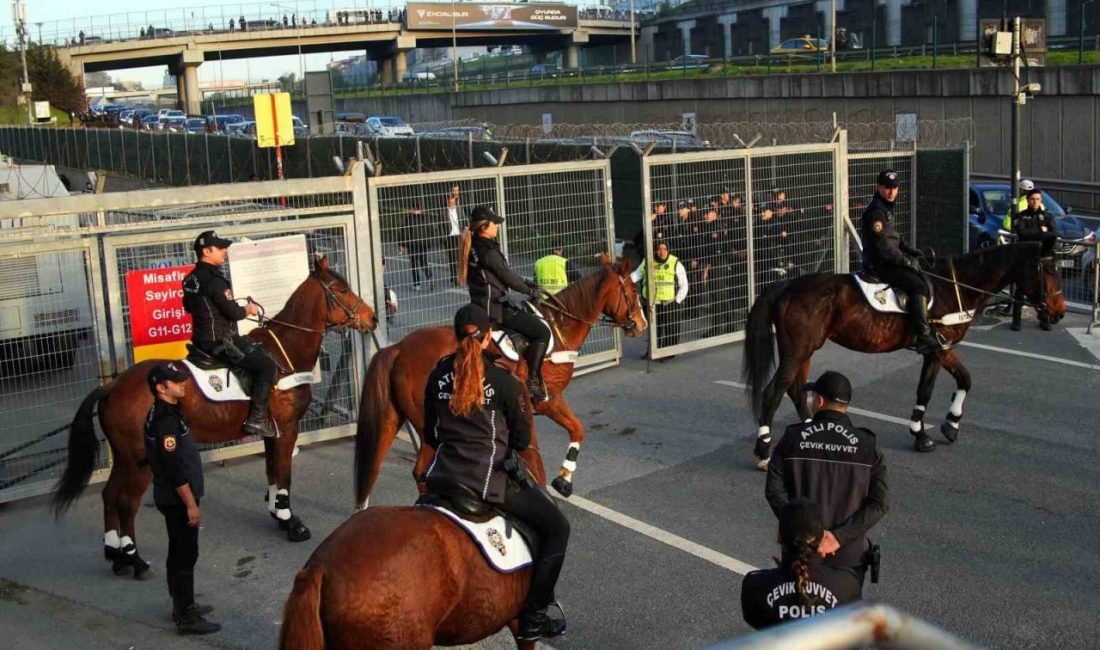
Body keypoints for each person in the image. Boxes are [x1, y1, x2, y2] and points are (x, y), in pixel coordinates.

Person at [423, 304, 569, 641]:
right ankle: (534, 616)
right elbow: (519, 440)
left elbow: (431, 435)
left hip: (441, 476)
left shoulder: (437, 375)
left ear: (456, 336)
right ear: (489, 336)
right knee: (558, 527)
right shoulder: (504, 382)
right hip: (485, 481)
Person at [766, 370, 889, 586]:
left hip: (800, 552)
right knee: (842, 618)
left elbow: (774, 491)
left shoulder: (792, 438)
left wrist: (794, 526)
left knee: (796, 613)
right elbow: (880, 502)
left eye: (813, 397)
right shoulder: (868, 445)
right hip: (848, 559)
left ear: (820, 401)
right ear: (845, 405)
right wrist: (838, 537)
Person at [144, 362, 221, 635]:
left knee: (178, 551)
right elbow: (174, 468)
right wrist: (190, 504)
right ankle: (186, 616)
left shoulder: (166, 413)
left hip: (171, 497)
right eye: (176, 382)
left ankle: (182, 604)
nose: (183, 384)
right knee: (185, 553)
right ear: (161, 388)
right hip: (176, 499)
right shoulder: (167, 422)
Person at [182, 231, 277, 438]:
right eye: (220, 248)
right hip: (221, 341)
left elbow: (189, 307)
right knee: (267, 365)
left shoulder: (190, 279)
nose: (225, 251)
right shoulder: (215, 281)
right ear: (207, 251)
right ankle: (257, 419)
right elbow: (232, 313)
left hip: (200, 342)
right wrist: (248, 309)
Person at [459, 206, 552, 401]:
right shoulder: (487, 251)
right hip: (496, 309)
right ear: (485, 227)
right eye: (495, 223)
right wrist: (530, 291)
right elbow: (507, 276)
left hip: (479, 305)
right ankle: (532, 380)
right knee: (542, 331)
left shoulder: (473, 245)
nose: (498, 227)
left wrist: (527, 282)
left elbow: (503, 274)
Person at [740, 498, 862, 630]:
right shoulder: (847, 584)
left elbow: (755, 620)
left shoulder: (754, 584)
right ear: (823, 538)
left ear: (779, 536)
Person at [860, 169, 939, 354]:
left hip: (889, 259)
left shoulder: (885, 208)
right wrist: (904, 260)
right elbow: (882, 246)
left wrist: (912, 251)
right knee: (918, 286)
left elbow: (894, 237)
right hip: (881, 264)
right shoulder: (877, 212)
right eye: (887, 187)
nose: (891, 191)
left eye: (894, 188)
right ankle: (923, 335)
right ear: (878, 187)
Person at [631, 239, 688, 356]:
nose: (662, 252)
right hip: (652, 304)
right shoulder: (648, 261)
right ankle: (652, 351)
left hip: (669, 303)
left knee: (671, 329)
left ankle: (669, 353)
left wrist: (678, 300)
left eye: (664, 249)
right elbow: (637, 275)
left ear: (668, 250)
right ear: (656, 251)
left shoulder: (675, 263)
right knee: (654, 330)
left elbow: (684, 284)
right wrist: (625, 281)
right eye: (659, 249)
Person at [1010, 188, 1056, 332]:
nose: (1035, 202)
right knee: (1021, 287)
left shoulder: (1047, 216)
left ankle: (1044, 318)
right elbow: (1022, 233)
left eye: (1038, 199)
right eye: (1032, 199)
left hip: (1042, 256)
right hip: (1026, 256)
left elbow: (1053, 234)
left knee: (1043, 288)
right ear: (1028, 200)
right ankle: (1016, 320)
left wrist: (1041, 233)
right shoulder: (1021, 216)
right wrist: (1041, 232)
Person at [398, 202, 434, 291]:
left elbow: (404, 232)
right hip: (423, 244)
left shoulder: (409, 218)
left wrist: (401, 244)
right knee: (423, 263)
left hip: (413, 245)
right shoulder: (425, 218)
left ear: (413, 208)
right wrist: (429, 243)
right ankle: (430, 277)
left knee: (414, 264)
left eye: (410, 208)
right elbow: (430, 230)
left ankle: (417, 285)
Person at [440, 188, 462, 284]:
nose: (451, 201)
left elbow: (464, 219)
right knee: (452, 257)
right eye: (449, 199)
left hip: (458, 235)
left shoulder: (459, 210)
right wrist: (443, 237)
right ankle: (454, 276)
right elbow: (440, 226)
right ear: (447, 201)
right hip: (449, 236)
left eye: (453, 199)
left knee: (459, 257)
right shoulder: (443, 212)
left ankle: (458, 276)